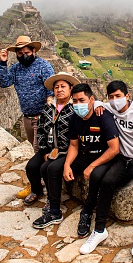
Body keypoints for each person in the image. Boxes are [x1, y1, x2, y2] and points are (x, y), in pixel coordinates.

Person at [80, 80, 133, 257]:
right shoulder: (110, 108)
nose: (115, 100)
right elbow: (98, 103)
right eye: (111, 97)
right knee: (107, 182)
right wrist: (100, 104)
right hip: (124, 159)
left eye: (118, 96)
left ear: (127, 96)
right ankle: (99, 230)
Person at [32, 83, 120, 232]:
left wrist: (92, 166)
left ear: (91, 100)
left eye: (82, 100)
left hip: (102, 157)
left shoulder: (102, 117)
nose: (78, 104)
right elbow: (74, 146)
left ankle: (86, 213)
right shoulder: (75, 119)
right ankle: (54, 211)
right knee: (53, 168)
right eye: (75, 101)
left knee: (96, 176)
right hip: (84, 155)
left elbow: (114, 148)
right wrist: (67, 165)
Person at [0, 35, 54, 199]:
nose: (23, 55)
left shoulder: (43, 66)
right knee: (34, 148)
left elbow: (51, 86)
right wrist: (2, 63)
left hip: (42, 117)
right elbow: (3, 82)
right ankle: (40, 181)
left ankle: (36, 186)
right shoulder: (16, 69)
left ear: (34, 51)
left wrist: (49, 104)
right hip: (27, 117)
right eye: (20, 53)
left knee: (39, 151)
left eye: (26, 52)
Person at [22, 72, 80, 205]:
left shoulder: (75, 108)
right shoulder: (48, 108)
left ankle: (52, 198)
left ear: (70, 88)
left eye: (63, 86)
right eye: (56, 87)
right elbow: (41, 130)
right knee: (31, 167)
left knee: (48, 168)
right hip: (49, 148)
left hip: (66, 150)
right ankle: (37, 190)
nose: (59, 90)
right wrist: (44, 151)